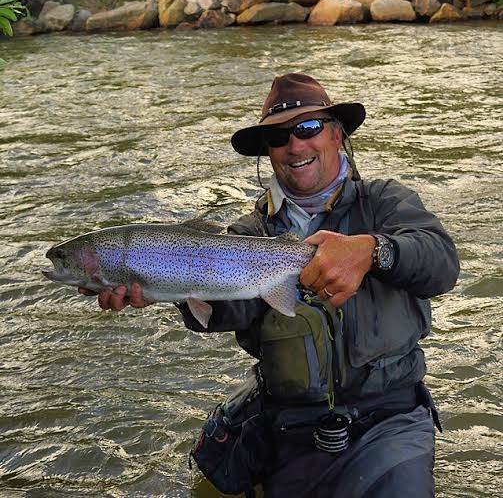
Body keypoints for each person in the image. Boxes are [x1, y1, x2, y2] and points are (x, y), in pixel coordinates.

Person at [82, 73, 460, 497]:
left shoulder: (386, 201)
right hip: (291, 425)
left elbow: (442, 264)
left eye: (308, 128)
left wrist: (373, 251)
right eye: (279, 137)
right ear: (268, 152)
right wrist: (163, 286)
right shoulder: (249, 232)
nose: (295, 145)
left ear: (337, 135)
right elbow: (228, 313)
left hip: (389, 420)